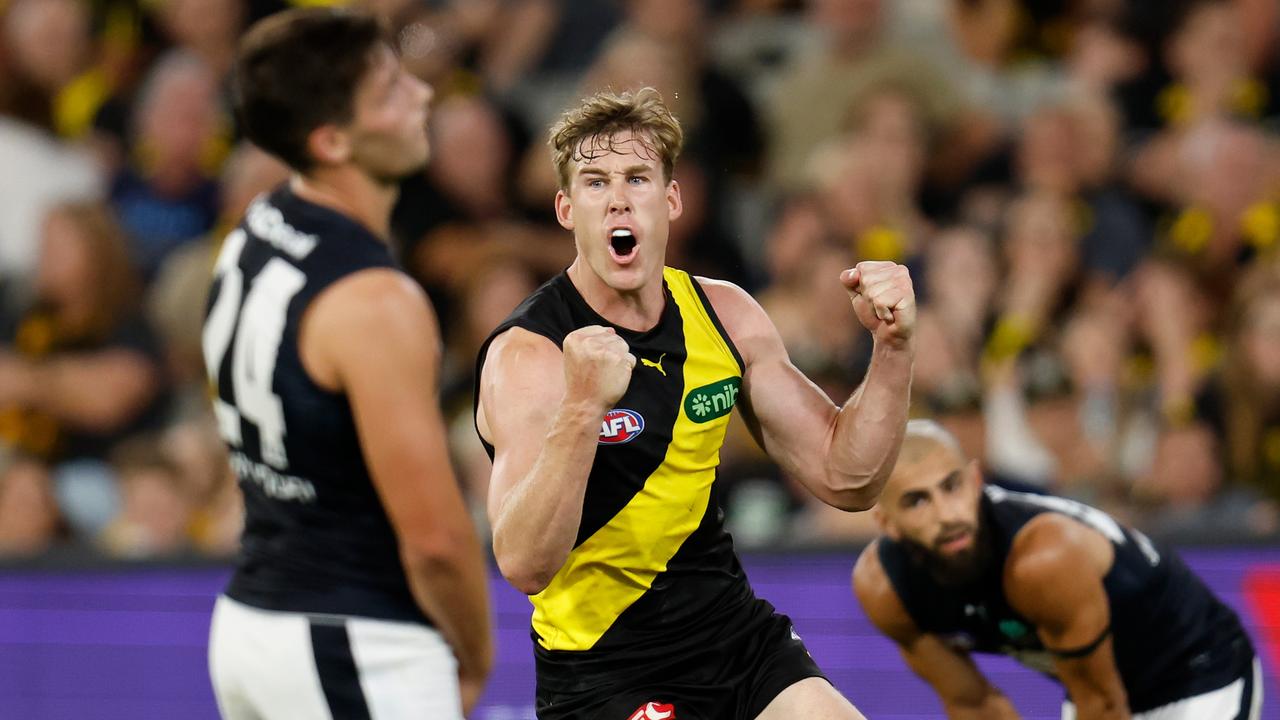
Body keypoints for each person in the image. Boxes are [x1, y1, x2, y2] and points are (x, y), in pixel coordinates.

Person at [475, 86, 917, 719]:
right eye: (596, 183)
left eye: (638, 178)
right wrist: (581, 408)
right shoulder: (531, 354)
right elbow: (522, 563)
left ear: (672, 199)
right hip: (604, 668)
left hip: (735, 639)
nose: (619, 199)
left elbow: (848, 477)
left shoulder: (725, 315)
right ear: (567, 209)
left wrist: (893, 348)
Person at [203, 9, 491, 719]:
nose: (423, 95)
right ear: (331, 140)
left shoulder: (255, 228)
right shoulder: (376, 302)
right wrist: (476, 652)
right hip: (355, 645)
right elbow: (433, 539)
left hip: (252, 623)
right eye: (391, 91)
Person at [853, 420, 1263, 720]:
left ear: (976, 480)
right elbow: (972, 704)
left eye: (952, 486)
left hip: (1199, 673)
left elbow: (1103, 705)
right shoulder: (885, 589)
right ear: (886, 523)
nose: (947, 515)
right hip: (1096, 685)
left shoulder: (1042, 559)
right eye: (917, 501)